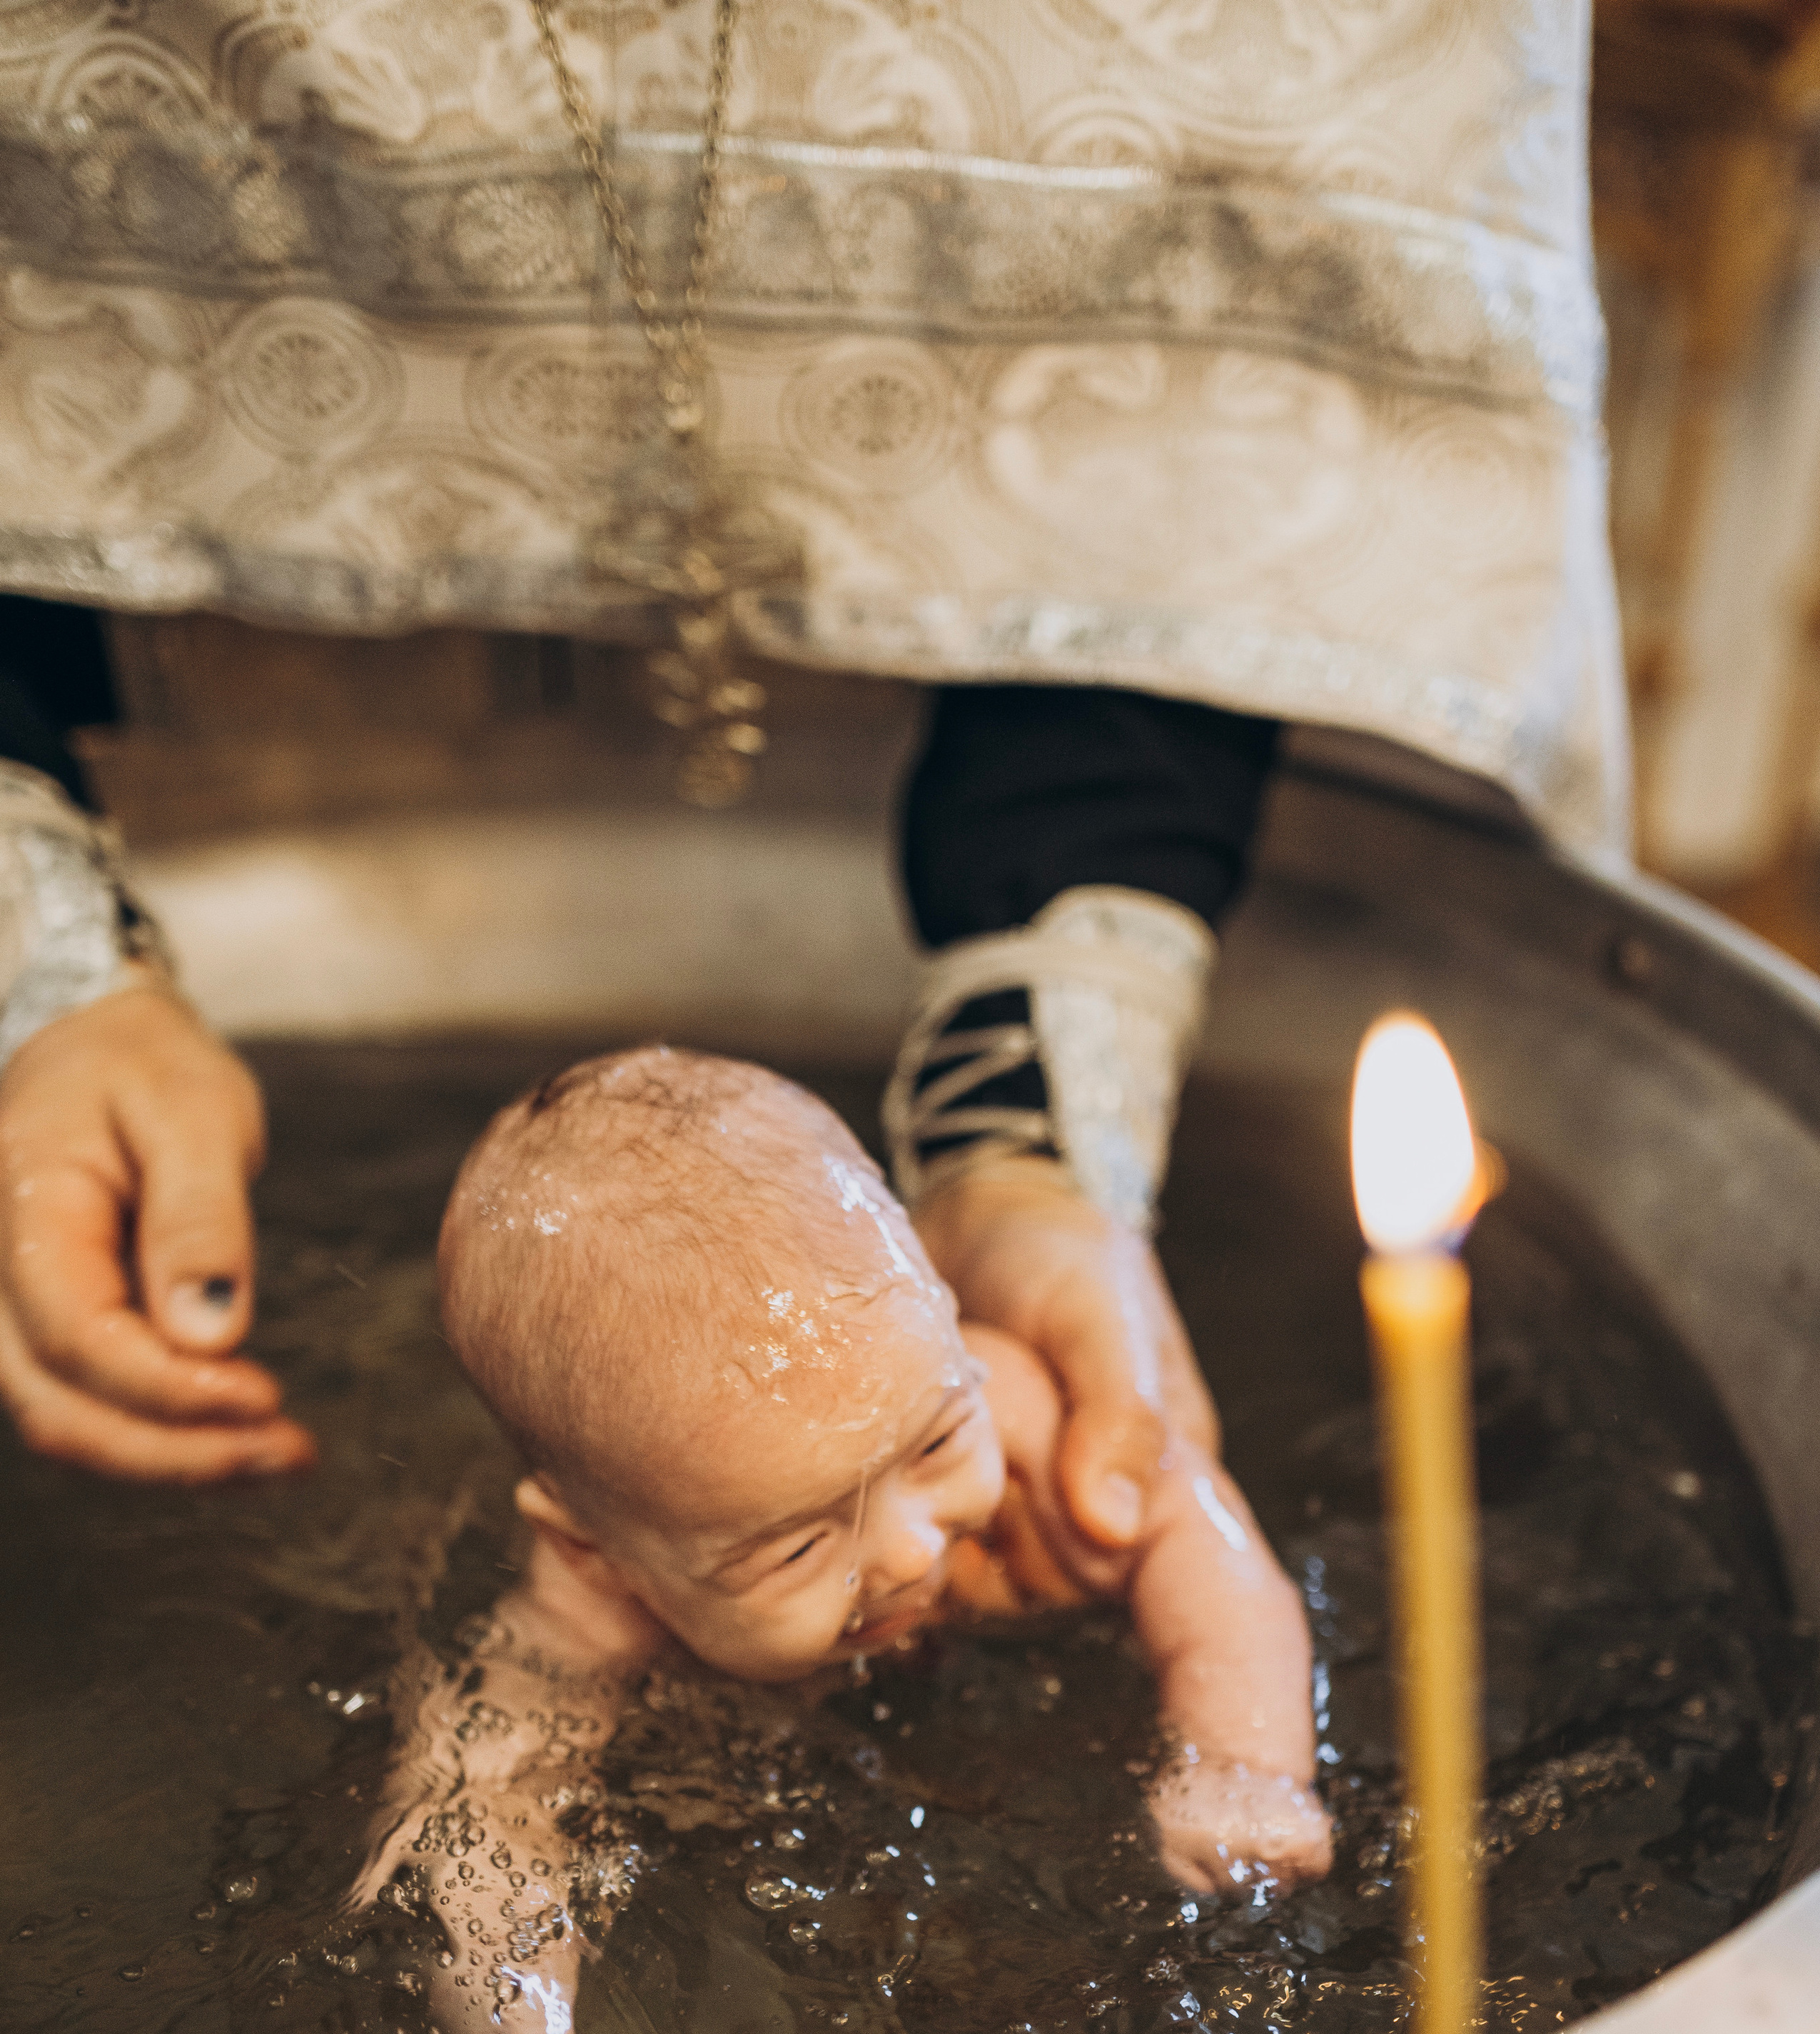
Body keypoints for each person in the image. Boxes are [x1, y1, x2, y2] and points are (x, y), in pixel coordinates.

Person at [0, 1, 1627, 1525]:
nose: (918, 1542)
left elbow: (1229, 233)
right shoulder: (595, 1561)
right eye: (775, 1542)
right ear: (566, 1522)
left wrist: (1040, 1130)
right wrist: (32, 963)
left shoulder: (968, 1412)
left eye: (927, 1445)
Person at [350, 1046, 1328, 2034]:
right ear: (599, 1547)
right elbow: (476, 1822)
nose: (915, 1551)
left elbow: (1203, 1532)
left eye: (934, 1445)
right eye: (799, 1548)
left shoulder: (1002, 1402)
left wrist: (1242, 1758)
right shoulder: (585, 1609)